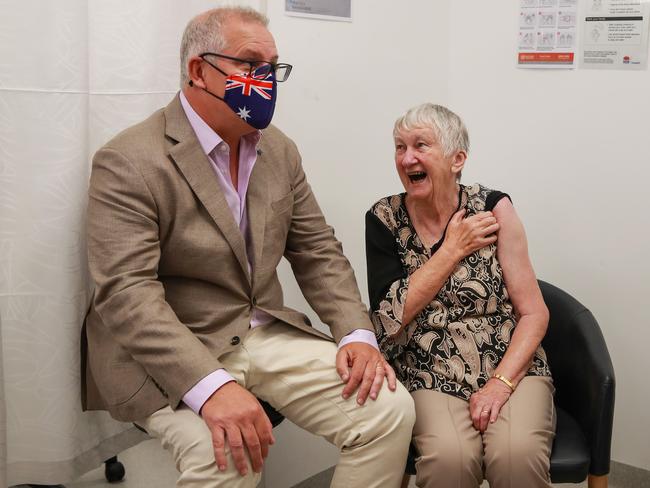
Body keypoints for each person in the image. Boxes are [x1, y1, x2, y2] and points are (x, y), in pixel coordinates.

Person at [81, 7, 415, 488]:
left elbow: (317, 250)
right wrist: (210, 387)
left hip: (262, 330)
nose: (267, 81)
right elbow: (126, 293)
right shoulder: (130, 159)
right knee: (227, 454)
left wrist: (356, 335)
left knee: (388, 409)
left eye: (273, 67)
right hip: (179, 340)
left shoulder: (278, 150)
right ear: (199, 71)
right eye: (250, 65)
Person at [365, 103, 555, 488]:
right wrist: (452, 249)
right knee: (450, 461)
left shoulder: (493, 208)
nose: (407, 158)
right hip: (428, 369)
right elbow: (387, 319)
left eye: (420, 145)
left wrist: (501, 383)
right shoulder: (383, 219)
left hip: (512, 363)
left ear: (457, 159)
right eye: (400, 147)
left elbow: (535, 313)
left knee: (516, 455)